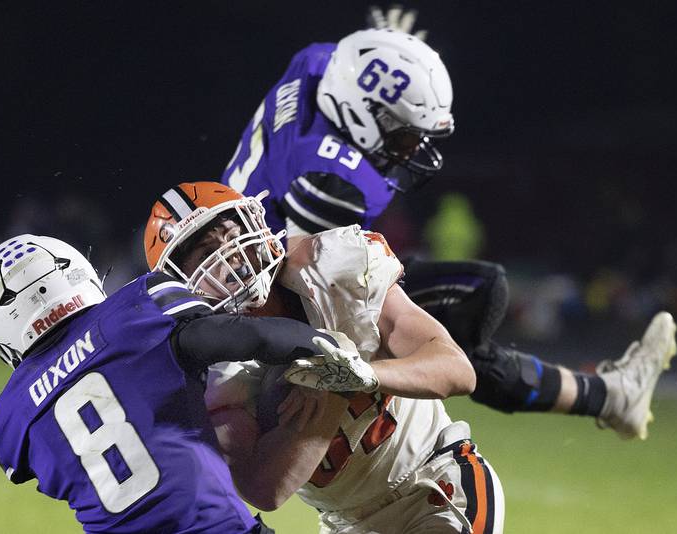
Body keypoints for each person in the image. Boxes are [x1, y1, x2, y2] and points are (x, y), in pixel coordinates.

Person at [219, 27, 677, 440]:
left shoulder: (318, 64)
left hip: (258, 270)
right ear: (357, 112)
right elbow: (319, 286)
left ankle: (608, 396)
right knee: (469, 301)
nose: (414, 150)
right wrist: (343, 368)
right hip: (272, 302)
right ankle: (605, 396)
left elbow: (355, 64)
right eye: (403, 137)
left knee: (461, 316)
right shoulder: (335, 180)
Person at [144, 181, 505, 533]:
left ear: (256, 224)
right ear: (179, 281)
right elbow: (265, 489)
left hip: (436, 483)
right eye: (205, 251)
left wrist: (361, 374)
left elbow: (456, 370)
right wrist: (332, 397)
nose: (229, 253)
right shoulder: (209, 371)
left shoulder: (328, 269)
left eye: (229, 233)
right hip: (345, 524)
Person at [0, 233, 373, 533]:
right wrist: (324, 347)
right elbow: (249, 337)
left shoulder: (9, 422)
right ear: (76, 273)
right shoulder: (134, 313)